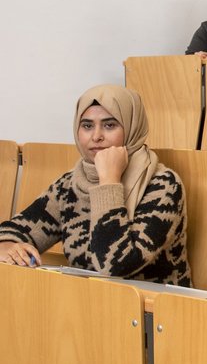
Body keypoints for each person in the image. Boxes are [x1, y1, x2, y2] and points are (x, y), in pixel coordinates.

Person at [0, 85, 192, 286]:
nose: (96, 136)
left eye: (109, 125)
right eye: (87, 126)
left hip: (153, 308)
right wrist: (6, 245)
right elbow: (18, 229)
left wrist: (109, 181)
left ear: (132, 127)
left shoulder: (163, 185)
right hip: (88, 302)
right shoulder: (69, 184)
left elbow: (116, 266)